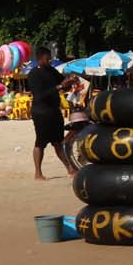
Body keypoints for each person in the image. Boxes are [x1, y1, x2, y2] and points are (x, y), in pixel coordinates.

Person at [25, 46, 76, 181]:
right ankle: (38, 173)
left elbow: (62, 82)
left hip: (54, 110)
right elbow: (39, 95)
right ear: (40, 59)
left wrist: (70, 82)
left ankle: (70, 169)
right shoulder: (34, 74)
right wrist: (59, 87)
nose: (50, 61)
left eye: (50, 58)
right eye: (48, 59)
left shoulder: (51, 71)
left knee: (58, 141)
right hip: (41, 111)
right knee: (40, 142)